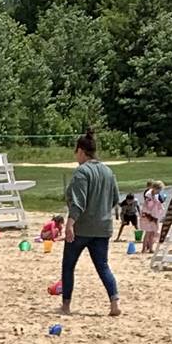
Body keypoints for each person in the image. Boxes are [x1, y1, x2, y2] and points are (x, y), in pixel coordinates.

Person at [60, 131, 120, 318]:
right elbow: (115, 198)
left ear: (81, 151)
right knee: (103, 266)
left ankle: (66, 305)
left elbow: (79, 202)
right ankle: (114, 302)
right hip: (103, 227)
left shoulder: (82, 172)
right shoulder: (108, 171)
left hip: (83, 228)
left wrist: (70, 223)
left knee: (68, 266)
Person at [138, 181, 165, 255]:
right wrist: (150, 215)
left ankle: (150, 248)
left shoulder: (155, 195)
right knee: (148, 232)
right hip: (147, 215)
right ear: (155, 188)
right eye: (159, 190)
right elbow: (147, 206)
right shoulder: (148, 195)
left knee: (153, 232)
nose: (159, 192)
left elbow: (158, 204)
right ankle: (144, 249)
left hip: (153, 215)